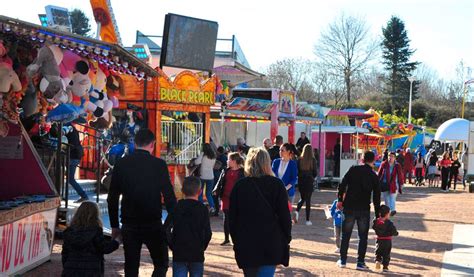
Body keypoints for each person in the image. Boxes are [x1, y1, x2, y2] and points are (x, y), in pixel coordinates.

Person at [107, 128, 177, 277]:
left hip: (129, 222)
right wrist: (172, 222)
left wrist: (114, 225)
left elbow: (112, 197)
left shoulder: (122, 164)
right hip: (153, 222)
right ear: (152, 144)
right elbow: (169, 197)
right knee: (161, 263)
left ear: (135, 143)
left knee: (131, 266)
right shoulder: (159, 165)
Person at [229, 147, 292, 276]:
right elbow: (284, 216)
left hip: (247, 242)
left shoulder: (240, 186)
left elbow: (232, 218)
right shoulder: (277, 185)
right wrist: (285, 238)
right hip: (271, 241)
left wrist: (237, 240)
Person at [337, 151, 381, 270]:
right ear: (373, 160)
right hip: (364, 209)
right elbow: (377, 197)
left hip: (349, 207)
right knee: (363, 237)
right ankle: (360, 262)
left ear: (362, 159)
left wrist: (340, 199)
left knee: (346, 235)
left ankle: (343, 260)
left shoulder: (353, 169)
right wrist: (377, 215)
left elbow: (342, 184)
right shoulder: (373, 176)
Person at [62, 201, 120, 277]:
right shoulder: (96, 231)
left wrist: (68, 266)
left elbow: (65, 254)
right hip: (92, 270)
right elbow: (104, 248)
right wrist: (117, 241)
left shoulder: (69, 232)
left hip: (70, 270)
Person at [169, 177, 212, 277]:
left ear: (182, 191)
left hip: (179, 251)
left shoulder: (177, 207)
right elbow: (208, 233)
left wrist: (172, 245)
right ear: (200, 191)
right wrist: (202, 246)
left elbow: (166, 229)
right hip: (197, 252)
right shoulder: (203, 209)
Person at [213, 152, 245, 246]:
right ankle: (226, 238)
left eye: (229, 159)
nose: (227, 161)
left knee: (236, 218)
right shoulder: (226, 170)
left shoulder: (243, 172)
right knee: (226, 218)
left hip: (236, 198)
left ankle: (237, 238)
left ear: (234, 161)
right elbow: (220, 181)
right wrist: (216, 189)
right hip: (225, 197)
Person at [65, 124, 89, 203]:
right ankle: (62, 195)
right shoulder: (73, 128)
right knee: (69, 178)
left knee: (70, 179)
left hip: (72, 155)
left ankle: (84, 195)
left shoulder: (66, 128)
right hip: (76, 154)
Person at [295, 144, 317, 225]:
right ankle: (307, 220)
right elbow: (315, 172)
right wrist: (312, 177)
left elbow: (297, 171)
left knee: (303, 198)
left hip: (301, 181)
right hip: (309, 181)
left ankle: (297, 211)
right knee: (308, 200)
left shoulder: (299, 159)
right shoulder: (313, 160)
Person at [373, 205, 399, 272]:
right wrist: (396, 233)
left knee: (378, 252)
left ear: (379, 214)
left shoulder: (376, 221)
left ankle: (377, 261)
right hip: (387, 241)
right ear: (387, 214)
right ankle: (385, 267)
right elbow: (394, 232)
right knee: (386, 254)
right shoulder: (389, 223)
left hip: (379, 240)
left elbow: (373, 227)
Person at [377, 151, 404, 216]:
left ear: (395, 158)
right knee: (387, 199)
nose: (390, 158)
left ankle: (392, 210)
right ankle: (388, 211)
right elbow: (379, 174)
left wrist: (401, 184)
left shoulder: (397, 165)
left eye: (392, 156)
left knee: (392, 198)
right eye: (389, 156)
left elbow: (400, 175)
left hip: (394, 184)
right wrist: (377, 182)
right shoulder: (383, 164)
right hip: (384, 184)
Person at [195, 143, 217, 214]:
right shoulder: (213, 156)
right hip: (211, 176)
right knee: (208, 194)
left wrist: (200, 155)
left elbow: (196, 162)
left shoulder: (203, 154)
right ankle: (212, 207)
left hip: (202, 176)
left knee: (200, 193)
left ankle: (201, 207)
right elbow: (213, 166)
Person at [213, 146, 228, 216]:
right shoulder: (225, 157)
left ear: (218, 151)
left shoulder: (218, 158)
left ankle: (216, 210)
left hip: (217, 175)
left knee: (215, 194)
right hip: (222, 176)